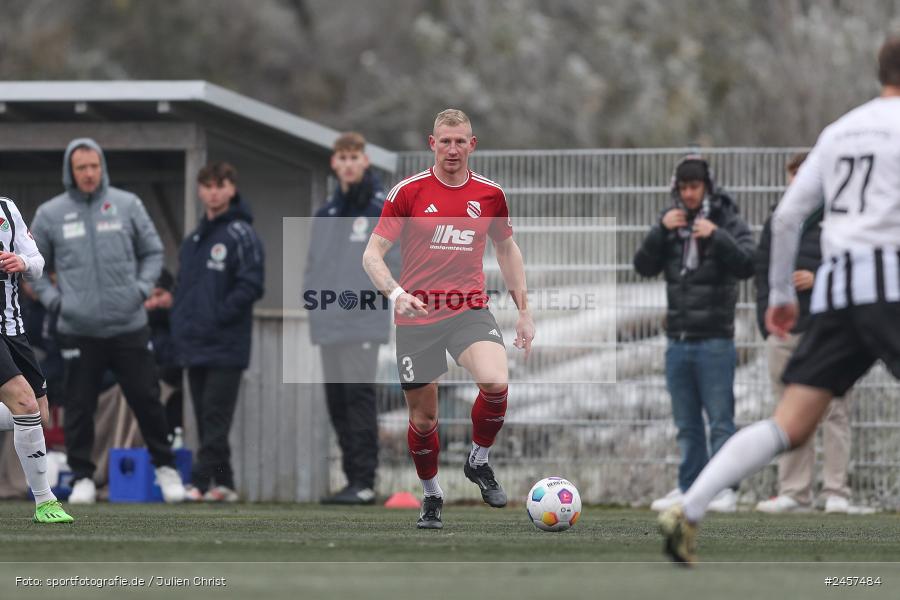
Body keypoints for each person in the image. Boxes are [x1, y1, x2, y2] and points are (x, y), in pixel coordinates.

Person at [660, 35, 900, 564]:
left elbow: (789, 216)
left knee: (788, 425)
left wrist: (779, 294)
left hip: (837, 292)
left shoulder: (839, 131)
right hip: (890, 286)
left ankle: (689, 508)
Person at [362, 108, 534, 529]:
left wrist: (525, 311)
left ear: (472, 145)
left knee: (496, 382)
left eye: (461, 141)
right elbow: (372, 254)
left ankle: (478, 461)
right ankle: (432, 495)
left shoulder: (490, 194)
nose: (453, 149)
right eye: (446, 141)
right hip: (418, 316)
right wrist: (397, 293)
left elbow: (507, 251)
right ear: (432, 143)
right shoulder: (409, 193)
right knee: (424, 420)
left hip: (468, 309)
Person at [31, 138, 185, 504]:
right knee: (79, 404)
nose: (88, 173)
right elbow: (34, 263)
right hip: (78, 330)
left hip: (129, 325)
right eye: (81, 167)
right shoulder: (51, 214)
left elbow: (153, 251)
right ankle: (83, 476)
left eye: (94, 166)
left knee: (147, 399)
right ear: (70, 171)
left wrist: (140, 290)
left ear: (102, 168)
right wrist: (55, 303)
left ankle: (166, 469)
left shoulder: (127, 205)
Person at [634, 155, 755, 514]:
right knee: (686, 423)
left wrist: (717, 237)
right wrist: (659, 230)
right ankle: (689, 486)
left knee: (720, 421)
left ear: (706, 187)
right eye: (683, 188)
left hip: (716, 338)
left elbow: (747, 263)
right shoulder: (670, 222)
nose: (688, 194)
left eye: (694, 187)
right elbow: (642, 266)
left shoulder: (727, 218)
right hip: (678, 340)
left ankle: (725, 490)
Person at [754, 153, 858, 515]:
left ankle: (836, 493)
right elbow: (762, 275)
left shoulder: (842, 223)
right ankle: (794, 492)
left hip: (828, 330)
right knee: (787, 413)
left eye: (806, 177)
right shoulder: (777, 223)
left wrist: (819, 280)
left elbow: (855, 268)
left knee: (836, 413)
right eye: (793, 177)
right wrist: (764, 322)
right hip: (785, 334)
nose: (799, 184)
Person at [304, 132, 398, 505]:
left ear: (365, 162)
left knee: (359, 397)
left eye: (353, 157)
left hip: (362, 322)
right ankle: (350, 480)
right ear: (334, 164)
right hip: (328, 323)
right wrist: (312, 301)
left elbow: (394, 263)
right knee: (337, 401)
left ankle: (365, 481)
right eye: (341, 158)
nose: (347, 164)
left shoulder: (379, 209)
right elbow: (314, 267)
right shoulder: (326, 213)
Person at [172, 162, 264, 503]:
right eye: (207, 185)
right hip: (194, 345)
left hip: (226, 345)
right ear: (200, 190)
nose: (213, 191)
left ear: (231, 189)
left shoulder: (242, 233)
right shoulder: (194, 239)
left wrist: (219, 317)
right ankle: (224, 484)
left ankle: (197, 482)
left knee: (215, 416)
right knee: (206, 417)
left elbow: (252, 284)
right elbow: (185, 289)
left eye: (220, 185)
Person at [0, 194, 74, 523]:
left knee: (38, 414)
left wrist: (23, 263)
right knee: (25, 403)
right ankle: (45, 502)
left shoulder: (7, 209)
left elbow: (38, 264)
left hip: (13, 329)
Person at [144, 268, 183, 442]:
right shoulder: (140, 329)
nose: (154, 303)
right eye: (148, 298)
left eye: (159, 295)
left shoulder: (182, 325)